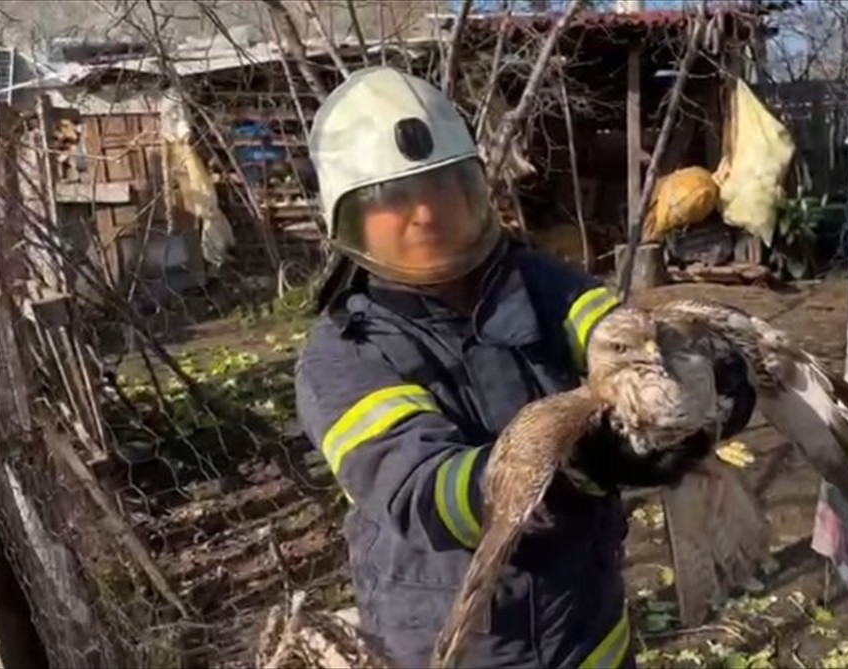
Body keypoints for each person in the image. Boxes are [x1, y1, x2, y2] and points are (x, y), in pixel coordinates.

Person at [295, 67, 756, 668]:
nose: (426, 215)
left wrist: (702, 377)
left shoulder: (540, 282)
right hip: (460, 643)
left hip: (585, 628)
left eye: (444, 189)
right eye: (397, 199)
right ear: (349, 222)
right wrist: (578, 467)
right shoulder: (342, 354)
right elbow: (423, 492)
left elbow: (618, 335)